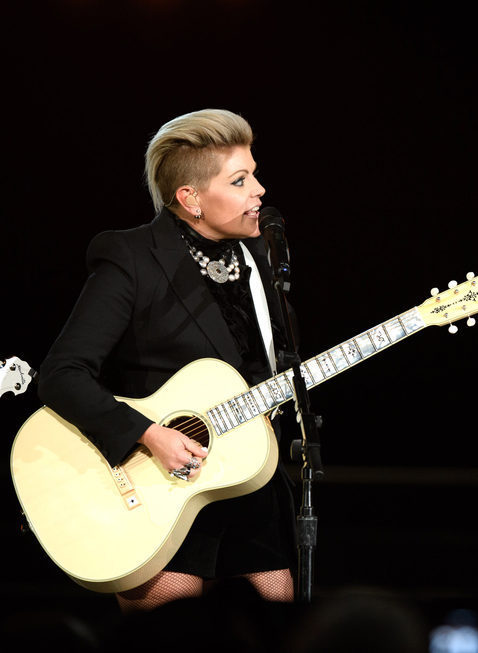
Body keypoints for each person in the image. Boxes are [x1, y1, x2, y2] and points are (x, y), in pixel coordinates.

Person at [37, 109, 296, 611]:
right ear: (190, 199)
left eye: (255, 174)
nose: (259, 190)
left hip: (246, 479)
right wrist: (150, 434)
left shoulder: (259, 256)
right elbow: (62, 375)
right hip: (158, 485)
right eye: (240, 180)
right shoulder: (131, 257)